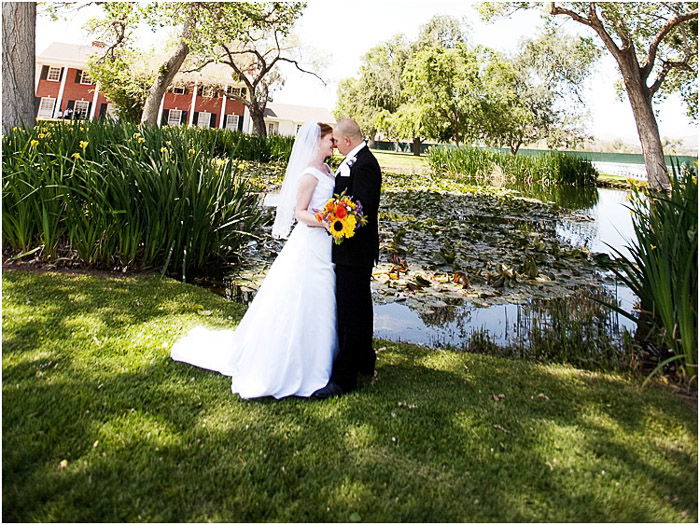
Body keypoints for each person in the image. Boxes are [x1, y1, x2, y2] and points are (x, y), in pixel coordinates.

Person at [171, 121, 338, 399]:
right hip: (311, 242)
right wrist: (329, 221)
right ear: (316, 141)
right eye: (331, 139)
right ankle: (295, 363)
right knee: (305, 294)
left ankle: (322, 358)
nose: (334, 144)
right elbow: (300, 213)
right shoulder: (309, 173)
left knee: (322, 296)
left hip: (326, 244)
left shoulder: (328, 170)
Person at [311, 118, 382, 399]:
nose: (335, 144)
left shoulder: (364, 164)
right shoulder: (354, 160)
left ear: (348, 141)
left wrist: (338, 220)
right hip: (350, 251)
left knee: (350, 314)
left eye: (337, 141)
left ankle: (344, 378)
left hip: (354, 250)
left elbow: (362, 209)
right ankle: (365, 360)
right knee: (360, 308)